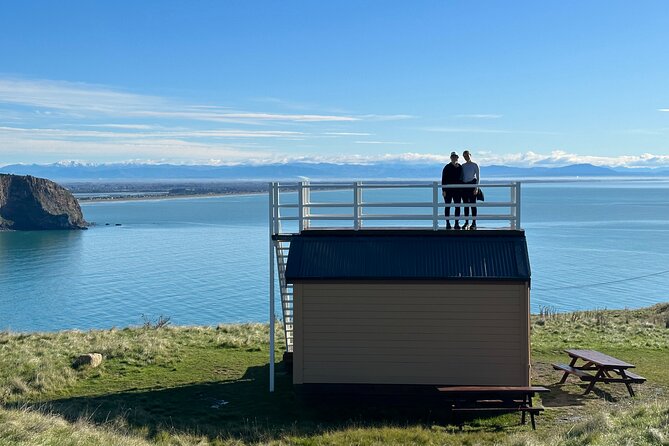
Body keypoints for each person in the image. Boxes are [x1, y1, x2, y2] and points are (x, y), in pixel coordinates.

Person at [441, 151, 463, 229]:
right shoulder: (447, 167)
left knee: (457, 206)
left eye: (455, 156)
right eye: (452, 157)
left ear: (457, 157)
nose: (454, 158)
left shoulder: (460, 167)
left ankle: (456, 223)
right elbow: (443, 179)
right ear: (450, 158)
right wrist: (443, 190)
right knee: (448, 206)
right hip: (448, 190)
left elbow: (462, 179)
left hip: (457, 190)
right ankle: (447, 223)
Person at [461, 150, 480, 230]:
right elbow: (461, 177)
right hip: (465, 186)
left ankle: (474, 223)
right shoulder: (463, 166)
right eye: (464, 156)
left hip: (472, 185)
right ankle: (466, 222)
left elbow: (478, 177)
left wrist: (476, 188)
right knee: (466, 205)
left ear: (470, 155)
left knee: (473, 205)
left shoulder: (475, 165)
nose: (466, 157)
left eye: (467, 155)